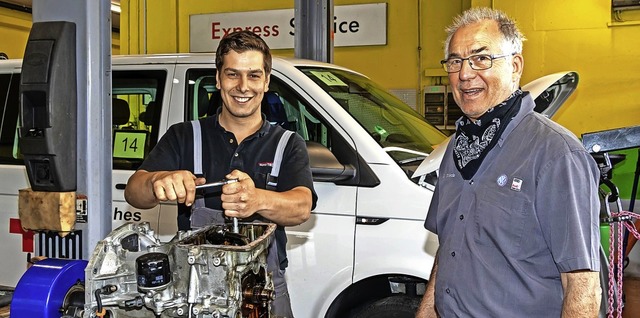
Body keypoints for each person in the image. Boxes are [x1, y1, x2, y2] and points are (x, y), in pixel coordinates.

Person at [416, 7, 601, 317]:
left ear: (515, 66)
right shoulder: (456, 151)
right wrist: (426, 311)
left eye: (481, 58)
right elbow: (449, 250)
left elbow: (582, 285)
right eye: (455, 61)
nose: (464, 74)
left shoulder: (556, 154)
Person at [124, 30, 317, 317]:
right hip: (193, 291)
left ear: (266, 81)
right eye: (232, 74)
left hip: (264, 291)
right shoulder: (184, 136)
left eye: (253, 75)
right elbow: (134, 191)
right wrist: (155, 181)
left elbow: (302, 206)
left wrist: (257, 200)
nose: (243, 86)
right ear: (218, 79)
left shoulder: (287, 143)